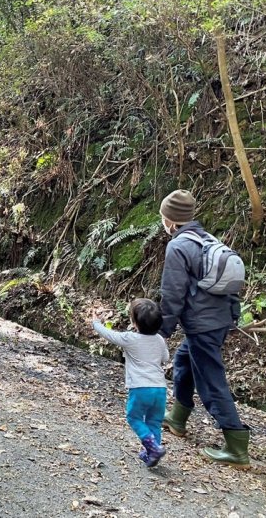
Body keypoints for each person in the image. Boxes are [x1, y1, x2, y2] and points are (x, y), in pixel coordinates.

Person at [158, 189, 250, 467]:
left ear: (171, 220)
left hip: (203, 325)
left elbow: (173, 294)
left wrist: (161, 331)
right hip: (218, 320)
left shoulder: (178, 246)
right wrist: (232, 317)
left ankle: (236, 446)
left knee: (211, 380)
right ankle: (178, 418)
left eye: (163, 217)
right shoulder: (208, 240)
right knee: (184, 363)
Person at [92, 298, 169, 467]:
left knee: (133, 417)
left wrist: (96, 322)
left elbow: (109, 335)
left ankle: (152, 447)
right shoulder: (160, 340)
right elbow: (165, 358)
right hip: (160, 389)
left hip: (141, 388)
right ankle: (151, 452)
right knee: (154, 421)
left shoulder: (130, 338)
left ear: (135, 323)